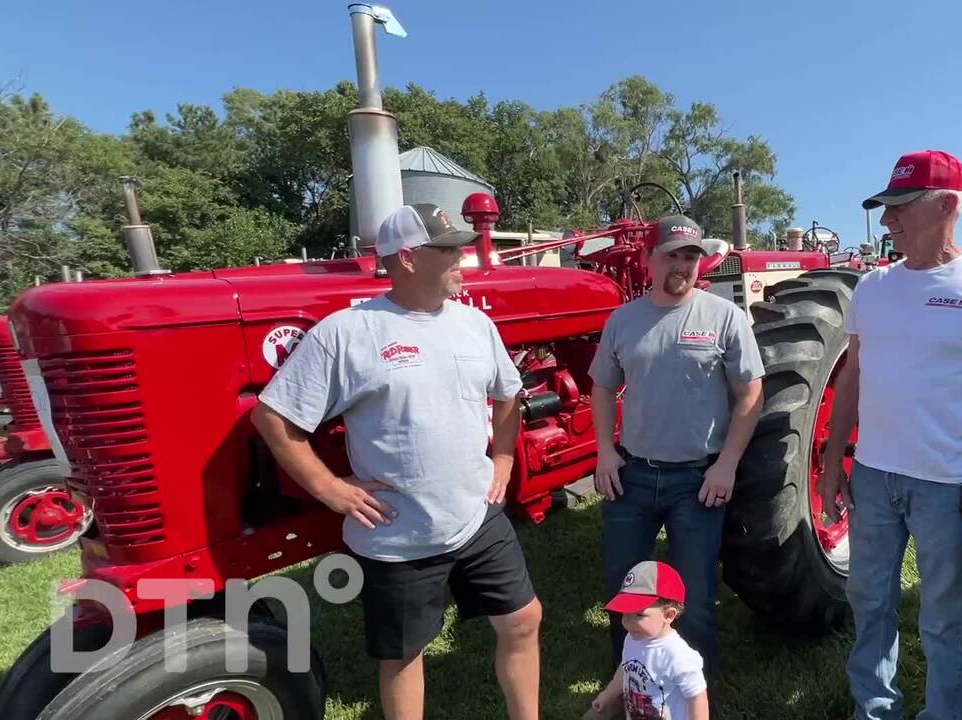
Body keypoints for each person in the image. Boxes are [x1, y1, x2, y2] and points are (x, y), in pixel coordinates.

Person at [251, 203, 542, 720]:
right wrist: (329, 488)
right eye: (448, 248)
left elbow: (509, 394)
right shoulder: (346, 333)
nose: (465, 256)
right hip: (398, 533)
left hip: (477, 513)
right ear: (407, 258)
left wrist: (502, 458)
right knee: (404, 656)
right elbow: (274, 419)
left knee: (523, 620)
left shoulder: (475, 325)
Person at [820, 150, 962, 720]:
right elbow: (852, 379)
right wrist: (830, 466)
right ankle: (875, 709)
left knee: (945, 619)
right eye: (885, 208)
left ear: (948, 205)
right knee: (869, 602)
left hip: (947, 487)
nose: (888, 220)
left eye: (900, 207)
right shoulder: (872, 287)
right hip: (872, 478)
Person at [588, 214, 765, 689]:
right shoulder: (623, 321)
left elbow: (751, 393)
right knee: (622, 592)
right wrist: (605, 453)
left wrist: (726, 465)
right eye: (673, 255)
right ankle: (629, 685)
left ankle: (692, 694)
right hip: (633, 476)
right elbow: (603, 388)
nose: (684, 265)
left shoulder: (722, 316)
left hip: (698, 481)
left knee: (696, 596)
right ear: (648, 260)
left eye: (691, 256)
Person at [591, 560, 710, 720]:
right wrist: (608, 694)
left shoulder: (678, 656)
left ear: (669, 615)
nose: (628, 622)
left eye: (639, 615)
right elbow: (626, 669)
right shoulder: (632, 638)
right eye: (625, 613)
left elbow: (697, 698)